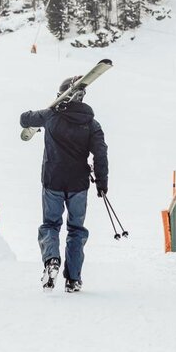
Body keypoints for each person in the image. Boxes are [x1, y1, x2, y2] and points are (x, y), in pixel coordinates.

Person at [19, 75, 109, 293]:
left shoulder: (50, 116)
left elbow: (24, 119)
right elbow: (100, 154)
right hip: (79, 184)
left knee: (50, 225)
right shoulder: (92, 124)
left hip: (53, 181)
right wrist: (102, 183)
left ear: (61, 95)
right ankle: (73, 279)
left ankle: (51, 261)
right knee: (76, 230)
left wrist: (41, 115)